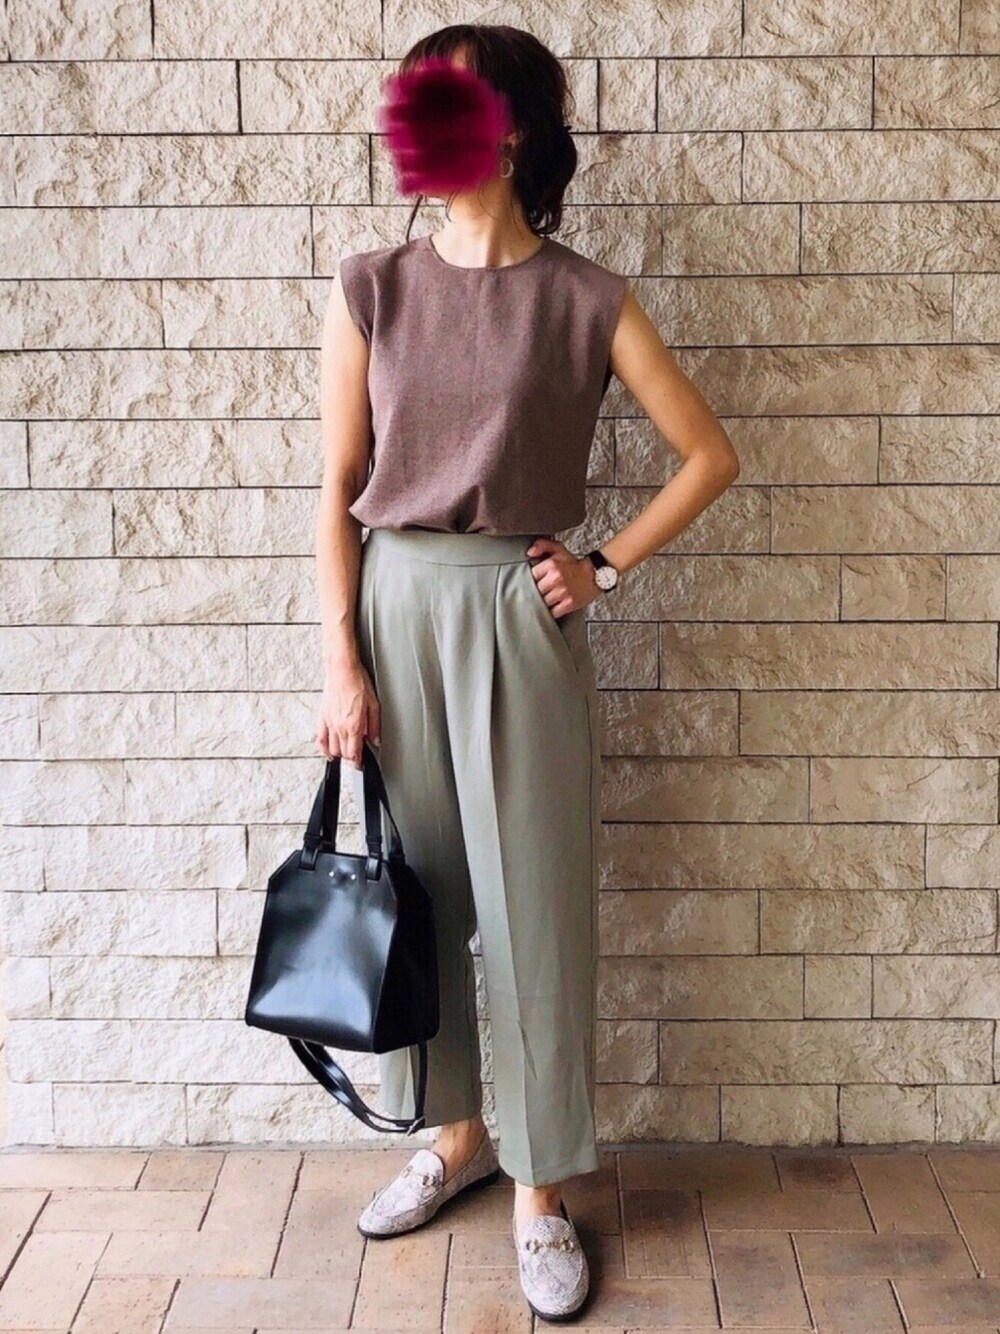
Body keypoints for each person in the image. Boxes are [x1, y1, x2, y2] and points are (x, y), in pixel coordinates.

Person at [314, 23, 741, 1323]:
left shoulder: (587, 299)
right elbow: (335, 487)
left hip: (519, 609)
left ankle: (542, 1185)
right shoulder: (372, 286)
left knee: (537, 909)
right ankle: (454, 1139)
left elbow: (709, 455)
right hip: (395, 601)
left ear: (503, 132)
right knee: (422, 895)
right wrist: (340, 662)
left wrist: (602, 566)